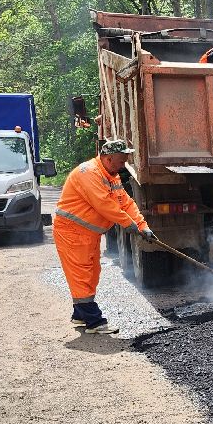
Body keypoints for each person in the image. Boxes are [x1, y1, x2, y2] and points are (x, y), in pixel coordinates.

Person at [53, 139, 157, 335]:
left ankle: (80, 314)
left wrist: (143, 226)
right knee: (81, 274)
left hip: (88, 234)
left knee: (92, 272)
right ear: (109, 158)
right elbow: (105, 205)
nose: (123, 165)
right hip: (71, 232)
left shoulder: (112, 175)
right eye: (121, 161)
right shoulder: (89, 173)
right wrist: (130, 225)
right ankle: (94, 321)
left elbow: (126, 203)